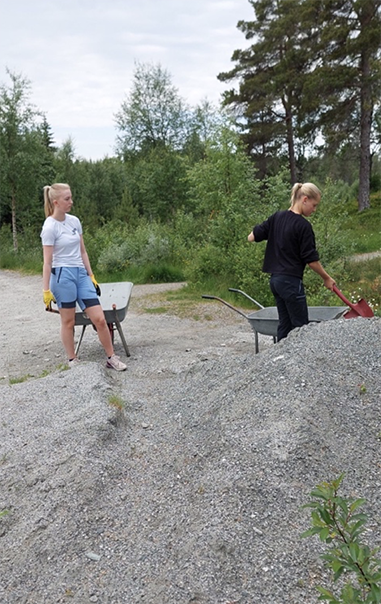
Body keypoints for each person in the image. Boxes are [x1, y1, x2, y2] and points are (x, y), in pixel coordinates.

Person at [41, 183, 127, 371]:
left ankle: (111, 357)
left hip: (80, 274)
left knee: (100, 319)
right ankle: (73, 360)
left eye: (71, 197)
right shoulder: (49, 227)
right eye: (67, 199)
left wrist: (91, 275)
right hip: (62, 276)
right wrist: (46, 290)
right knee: (69, 321)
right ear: (55, 202)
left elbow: (83, 251)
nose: (71, 202)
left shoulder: (74, 221)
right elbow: (47, 262)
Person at [248, 182, 335, 342]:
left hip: (275, 281)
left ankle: (281, 360)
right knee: (301, 327)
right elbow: (311, 260)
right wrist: (326, 278)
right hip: (291, 282)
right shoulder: (303, 226)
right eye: (314, 205)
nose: (314, 210)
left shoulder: (277, 217)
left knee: (285, 325)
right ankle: (301, 363)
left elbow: (252, 236)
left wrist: (265, 232)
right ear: (304, 199)